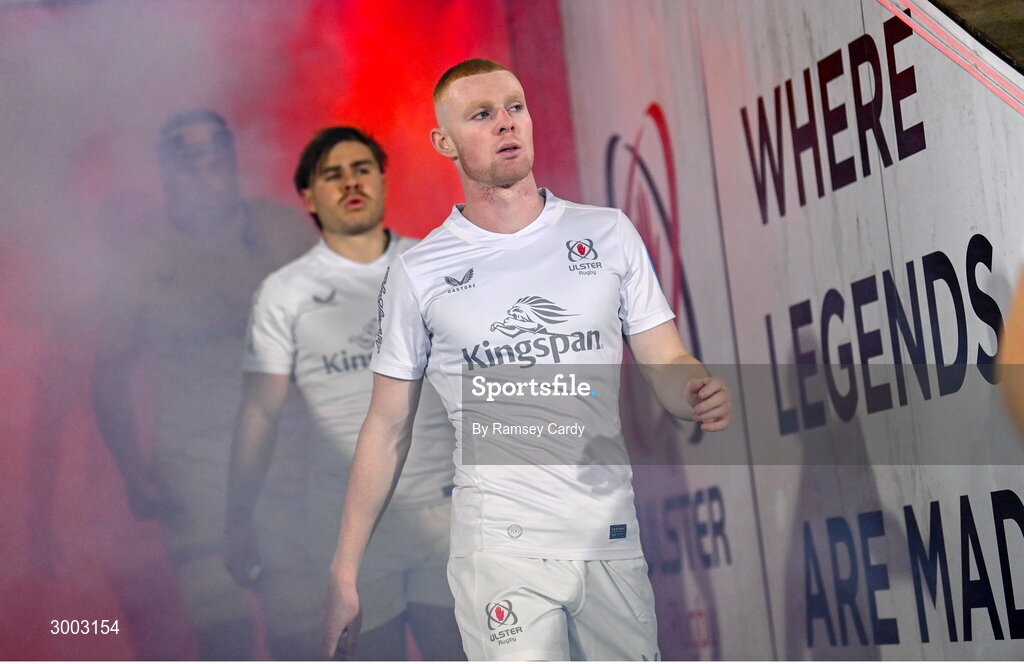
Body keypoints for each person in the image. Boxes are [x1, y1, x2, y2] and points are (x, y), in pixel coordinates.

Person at [322, 58, 733, 661]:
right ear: (444, 142)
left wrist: (697, 390)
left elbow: (665, 359)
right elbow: (387, 426)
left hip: (609, 537)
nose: (506, 125)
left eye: (515, 107)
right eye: (482, 115)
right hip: (500, 550)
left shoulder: (608, 233)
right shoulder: (417, 272)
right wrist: (344, 571)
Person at [228, 126, 463, 660]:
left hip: (447, 517)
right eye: (332, 175)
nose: (350, 182)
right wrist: (237, 518)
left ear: (382, 179)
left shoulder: (436, 267)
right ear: (309, 197)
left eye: (361, 168)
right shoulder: (284, 293)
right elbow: (259, 412)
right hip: (348, 531)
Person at [92, 109, 317, 659]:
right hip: (194, 469)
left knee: (303, 624)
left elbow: (344, 343)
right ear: (166, 173)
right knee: (221, 625)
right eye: (190, 162)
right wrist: (133, 469)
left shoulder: (283, 233)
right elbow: (110, 372)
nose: (207, 173)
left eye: (218, 158)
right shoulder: (141, 258)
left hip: (289, 462)